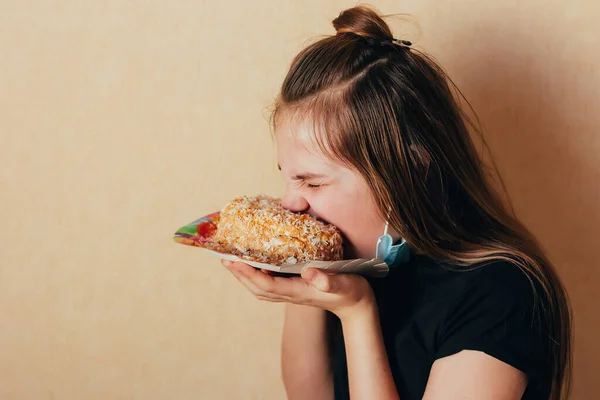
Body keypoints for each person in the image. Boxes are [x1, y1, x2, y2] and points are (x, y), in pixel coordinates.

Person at [220, 5, 572, 400]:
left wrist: (357, 315)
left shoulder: (502, 293)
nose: (290, 203)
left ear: (407, 169)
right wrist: (301, 279)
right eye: (286, 176)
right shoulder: (354, 262)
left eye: (313, 183)